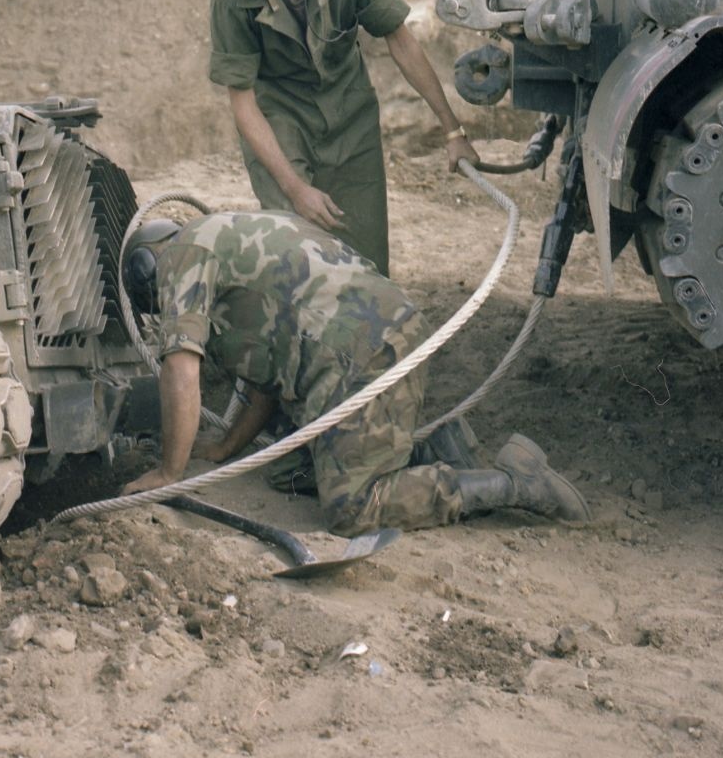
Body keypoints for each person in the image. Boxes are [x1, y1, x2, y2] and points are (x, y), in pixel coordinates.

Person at [119, 212, 589, 537]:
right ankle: (431, 446)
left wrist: (169, 472)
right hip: (373, 335)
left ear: (147, 270)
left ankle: (514, 483)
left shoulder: (181, 257)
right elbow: (263, 380)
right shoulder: (221, 237)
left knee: (351, 508)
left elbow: (180, 370)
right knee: (287, 468)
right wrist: (225, 448)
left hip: (359, 354)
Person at [209, 0, 479, 280]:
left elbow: (402, 44)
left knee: (366, 262)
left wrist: (452, 132)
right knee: (290, 250)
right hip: (279, 119)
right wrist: (296, 189)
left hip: (350, 115)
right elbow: (244, 107)